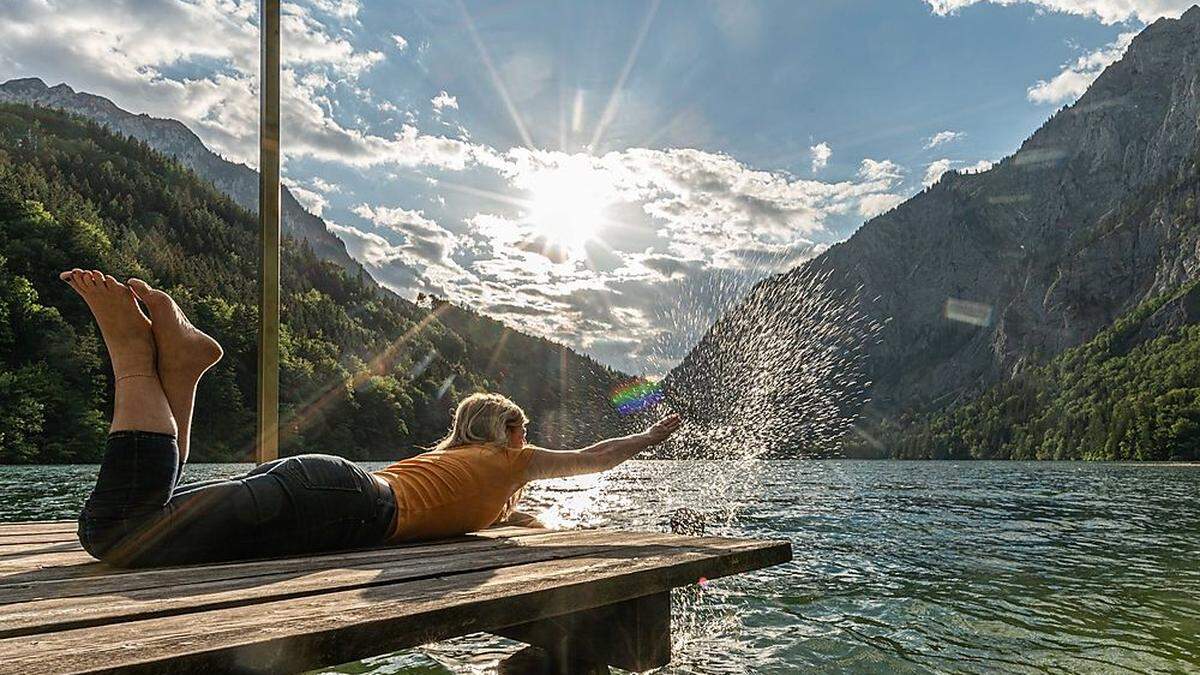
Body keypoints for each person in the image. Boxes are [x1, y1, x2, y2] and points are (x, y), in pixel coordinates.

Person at [63, 269, 682, 568]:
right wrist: (651, 435)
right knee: (118, 532)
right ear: (512, 431)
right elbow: (596, 458)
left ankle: (184, 370)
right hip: (340, 508)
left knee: (154, 516)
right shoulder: (511, 462)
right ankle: (136, 365)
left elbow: (517, 517)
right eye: (523, 429)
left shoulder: (456, 467)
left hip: (332, 488)